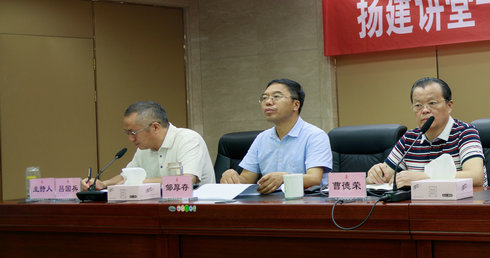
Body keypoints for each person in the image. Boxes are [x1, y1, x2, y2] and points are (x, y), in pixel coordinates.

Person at [366, 77, 486, 187]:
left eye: (432, 103)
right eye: (418, 105)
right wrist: (375, 175)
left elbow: (475, 177)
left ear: (449, 106)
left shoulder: (465, 133)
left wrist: (423, 178)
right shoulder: (409, 139)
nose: (424, 110)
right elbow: (383, 177)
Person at [220, 78, 332, 194]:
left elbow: (314, 179)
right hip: (270, 201)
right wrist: (232, 177)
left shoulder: (315, 136)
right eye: (264, 98)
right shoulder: (262, 138)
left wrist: (285, 178)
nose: (268, 102)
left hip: (306, 201)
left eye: (276, 96)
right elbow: (247, 178)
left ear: (295, 105)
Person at [82, 101, 215, 189]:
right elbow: (126, 177)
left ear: (155, 127)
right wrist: (103, 184)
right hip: (159, 210)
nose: (130, 139)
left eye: (133, 132)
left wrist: (138, 182)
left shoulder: (188, 139)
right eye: (127, 133)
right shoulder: (144, 148)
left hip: (192, 210)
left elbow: (187, 180)